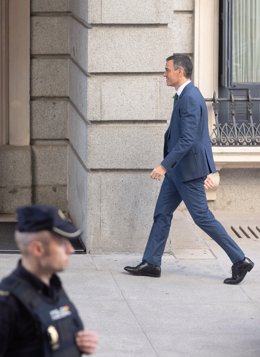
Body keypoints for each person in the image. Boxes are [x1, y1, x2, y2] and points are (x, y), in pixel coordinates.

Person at [124, 53, 254, 284]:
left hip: (187, 171)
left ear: (179, 72)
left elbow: (189, 139)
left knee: (202, 217)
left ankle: (239, 260)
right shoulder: (183, 96)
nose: (164, 74)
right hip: (178, 171)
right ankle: (152, 263)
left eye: (167, 69)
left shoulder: (191, 98)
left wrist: (164, 165)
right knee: (162, 213)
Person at [0, 204, 98, 356]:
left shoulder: (53, 286)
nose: (71, 250)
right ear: (37, 249)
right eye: (62, 243)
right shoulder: (8, 304)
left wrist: (76, 343)